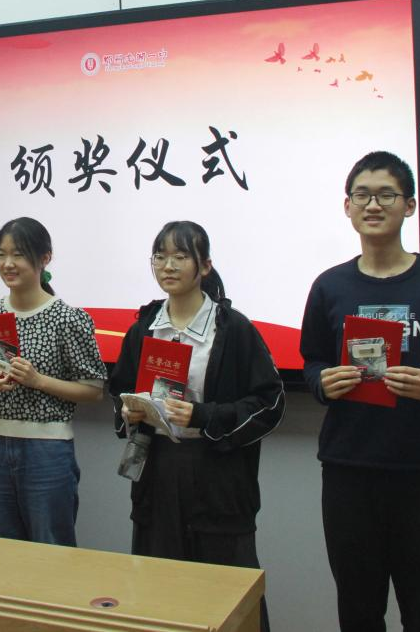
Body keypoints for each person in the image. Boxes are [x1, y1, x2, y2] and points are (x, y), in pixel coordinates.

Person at [300, 151, 420, 632]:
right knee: (358, 613)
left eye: (386, 195)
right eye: (362, 195)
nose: (373, 205)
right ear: (347, 206)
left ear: (409, 206)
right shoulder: (329, 286)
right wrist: (322, 382)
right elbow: (312, 361)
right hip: (349, 472)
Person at [108, 220, 285, 632]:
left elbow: (270, 402)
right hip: (158, 473)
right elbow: (119, 391)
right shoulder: (144, 328)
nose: (168, 266)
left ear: (204, 266)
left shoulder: (233, 328)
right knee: (159, 590)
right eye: (160, 256)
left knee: (226, 592)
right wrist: (130, 412)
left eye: (180, 256)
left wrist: (203, 416)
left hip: (217, 476)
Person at [0, 217, 106, 546]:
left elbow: (93, 390)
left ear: (45, 258)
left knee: (50, 547)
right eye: (1, 254)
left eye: (18, 254)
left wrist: (37, 380)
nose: (8, 263)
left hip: (47, 448)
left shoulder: (67, 318)